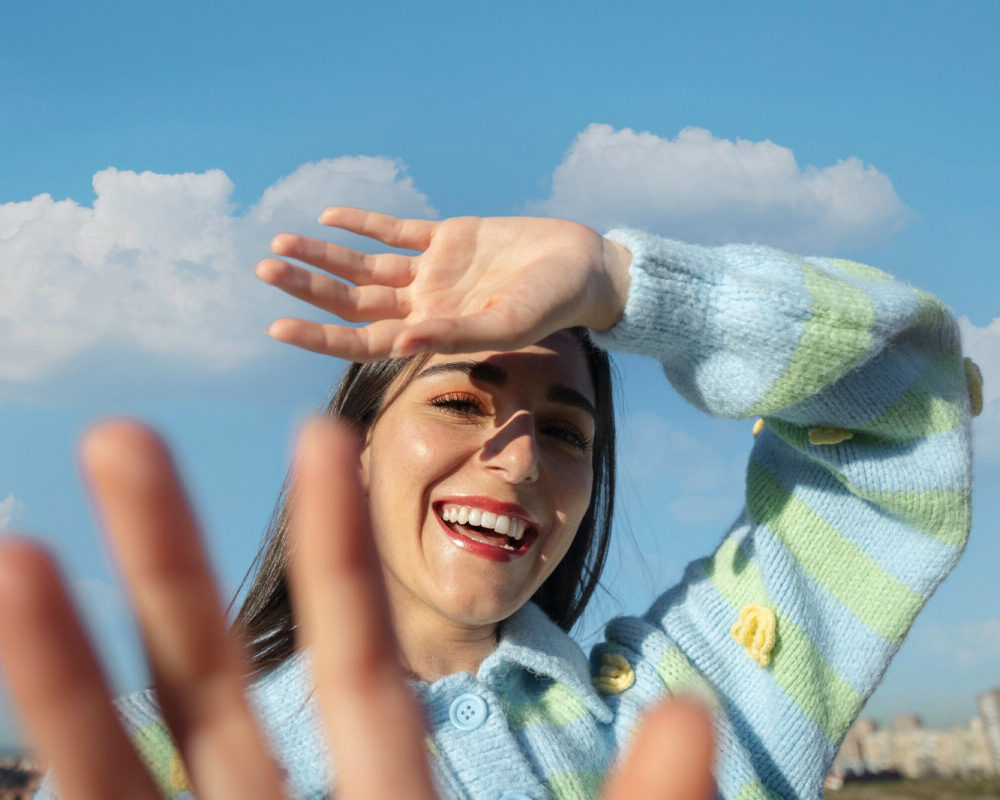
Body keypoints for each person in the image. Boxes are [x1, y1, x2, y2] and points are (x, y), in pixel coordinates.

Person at [0, 209, 976, 800]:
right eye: (460, 402)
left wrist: (621, 283)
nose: (513, 461)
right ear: (355, 453)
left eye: (563, 431)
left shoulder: (702, 706)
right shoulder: (158, 758)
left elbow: (910, 408)